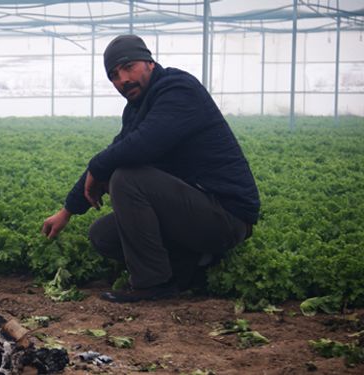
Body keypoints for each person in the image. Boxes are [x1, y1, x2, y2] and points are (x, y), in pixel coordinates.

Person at [41, 34, 260, 303]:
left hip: (226, 215)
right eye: (114, 75)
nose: (123, 79)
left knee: (127, 178)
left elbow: (142, 145)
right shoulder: (136, 108)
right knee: (104, 236)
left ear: (150, 62)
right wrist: (68, 210)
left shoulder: (178, 89)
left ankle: (154, 283)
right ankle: (192, 266)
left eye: (129, 67)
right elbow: (118, 149)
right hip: (195, 211)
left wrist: (98, 167)